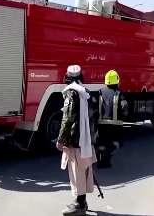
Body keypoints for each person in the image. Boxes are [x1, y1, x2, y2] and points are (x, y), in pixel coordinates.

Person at [57, 65, 98, 216]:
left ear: (67, 77)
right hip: (86, 140)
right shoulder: (85, 92)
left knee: (77, 172)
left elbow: (67, 118)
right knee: (85, 170)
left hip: (75, 140)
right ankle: (83, 201)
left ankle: (79, 204)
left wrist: (61, 139)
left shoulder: (71, 93)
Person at [96, 69, 127, 168]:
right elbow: (124, 107)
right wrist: (124, 116)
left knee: (102, 142)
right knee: (115, 144)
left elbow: (94, 106)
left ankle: (101, 161)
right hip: (115, 125)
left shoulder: (100, 92)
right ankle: (106, 160)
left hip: (101, 123)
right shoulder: (118, 93)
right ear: (116, 81)